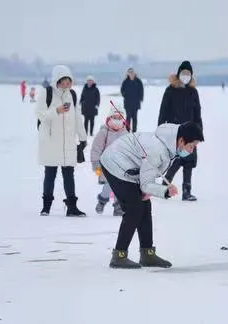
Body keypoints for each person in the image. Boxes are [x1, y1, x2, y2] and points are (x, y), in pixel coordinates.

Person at [100, 121, 204, 269]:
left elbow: (148, 177)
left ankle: (147, 254)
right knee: (134, 208)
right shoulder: (158, 149)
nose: (192, 151)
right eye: (191, 146)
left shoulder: (169, 146)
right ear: (181, 140)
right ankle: (119, 255)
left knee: (144, 205)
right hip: (115, 164)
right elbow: (145, 184)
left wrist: (148, 190)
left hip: (131, 166)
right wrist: (164, 191)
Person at [35, 65, 88, 217]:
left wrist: (83, 138)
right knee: (50, 174)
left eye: (68, 81)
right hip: (51, 141)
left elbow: (78, 118)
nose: (66, 84)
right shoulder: (47, 93)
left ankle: (72, 207)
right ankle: (46, 207)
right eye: (63, 81)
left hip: (68, 142)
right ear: (56, 81)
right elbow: (40, 115)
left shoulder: (72, 95)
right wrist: (56, 111)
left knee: (69, 174)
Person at [157, 60, 204, 201]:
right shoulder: (171, 90)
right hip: (174, 131)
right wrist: (160, 129)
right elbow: (163, 111)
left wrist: (199, 133)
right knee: (176, 159)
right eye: (183, 73)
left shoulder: (193, 92)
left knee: (189, 161)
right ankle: (166, 183)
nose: (185, 76)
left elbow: (197, 113)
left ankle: (186, 191)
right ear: (179, 74)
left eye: (188, 73)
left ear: (191, 75)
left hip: (190, 130)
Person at [90, 105, 129, 216]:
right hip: (106, 166)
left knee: (120, 188)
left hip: (121, 167)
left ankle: (118, 208)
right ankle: (102, 200)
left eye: (119, 118)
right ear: (109, 119)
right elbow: (96, 149)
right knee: (109, 186)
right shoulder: (104, 133)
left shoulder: (126, 134)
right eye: (114, 118)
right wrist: (96, 164)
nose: (117, 120)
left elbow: (130, 151)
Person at [120, 68, 144, 132]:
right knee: (128, 117)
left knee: (135, 118)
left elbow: (141, 91)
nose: (131, 74)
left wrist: (140, 99)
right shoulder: (125, 81)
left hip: (136, 103)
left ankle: (134, 131)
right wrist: (125, 95)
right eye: (130, 72)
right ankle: (127, 130)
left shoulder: (138, 81)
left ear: (134, 73)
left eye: (132, 72)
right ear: (128, 73)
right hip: (128, 103)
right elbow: (122, 90)